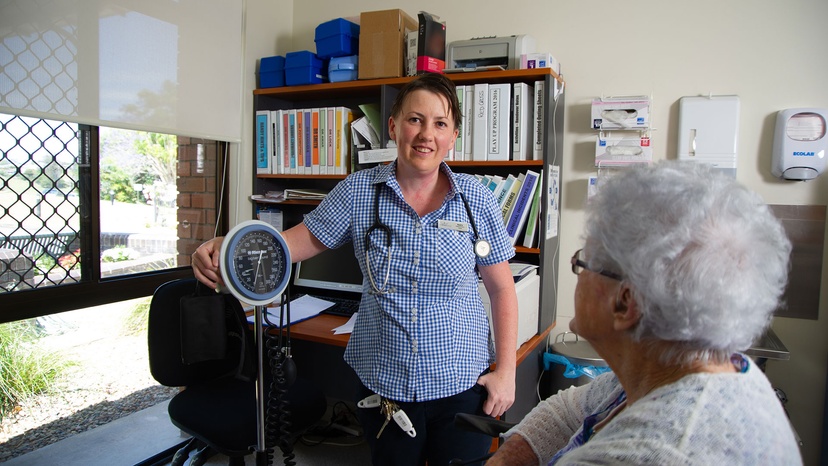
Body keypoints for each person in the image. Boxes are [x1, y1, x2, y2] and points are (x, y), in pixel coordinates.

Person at [192, 73, 518, 466]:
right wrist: (226, 246)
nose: (425, 134)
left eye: (440, 123)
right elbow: (290, 245)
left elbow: (502, 290)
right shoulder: (357, 192)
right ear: (394, 126)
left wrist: (507, 373)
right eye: (415, 119)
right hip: (386, 386)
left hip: (462, 383)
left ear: (453, 136)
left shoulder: (476, 199)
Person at [486, 161, 802, 465]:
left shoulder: (639, 456)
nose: (578, 272)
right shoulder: (699, 367)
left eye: (585, 262)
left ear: (625, 303)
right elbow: (569, 410)